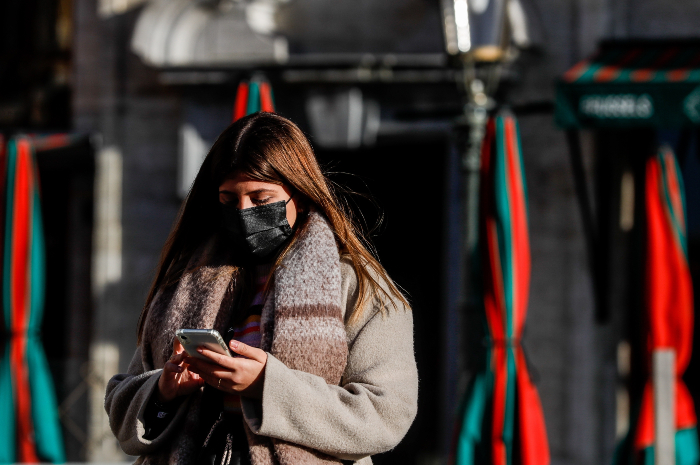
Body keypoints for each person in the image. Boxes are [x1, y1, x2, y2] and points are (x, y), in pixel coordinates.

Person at [104, 112, 418, 465]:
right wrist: (164, 389)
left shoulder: (359, 287)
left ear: (301, 195)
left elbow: (385, 415)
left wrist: (267, 387)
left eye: (261, 198)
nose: (244, 211)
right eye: (228, 200)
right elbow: (121, 403)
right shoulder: (185, 283)